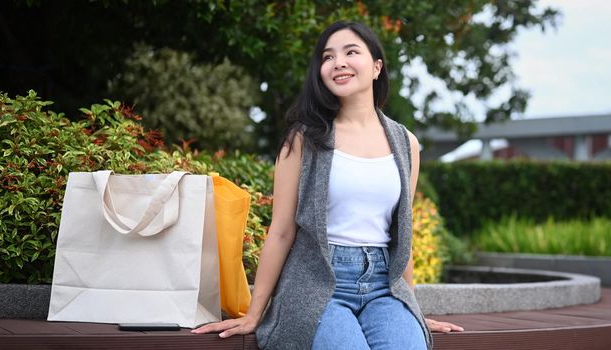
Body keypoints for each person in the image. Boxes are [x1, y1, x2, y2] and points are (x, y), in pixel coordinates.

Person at [192, 21, 463, 349]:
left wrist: (412, 309)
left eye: (351, 52)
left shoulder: (406, 143)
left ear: (377, 67)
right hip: (316, 286)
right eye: (328, 57)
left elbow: (401, 236)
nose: (339, 63)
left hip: (384, 289)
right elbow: (280, 231)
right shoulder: (304, 140)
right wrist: (254, 313)